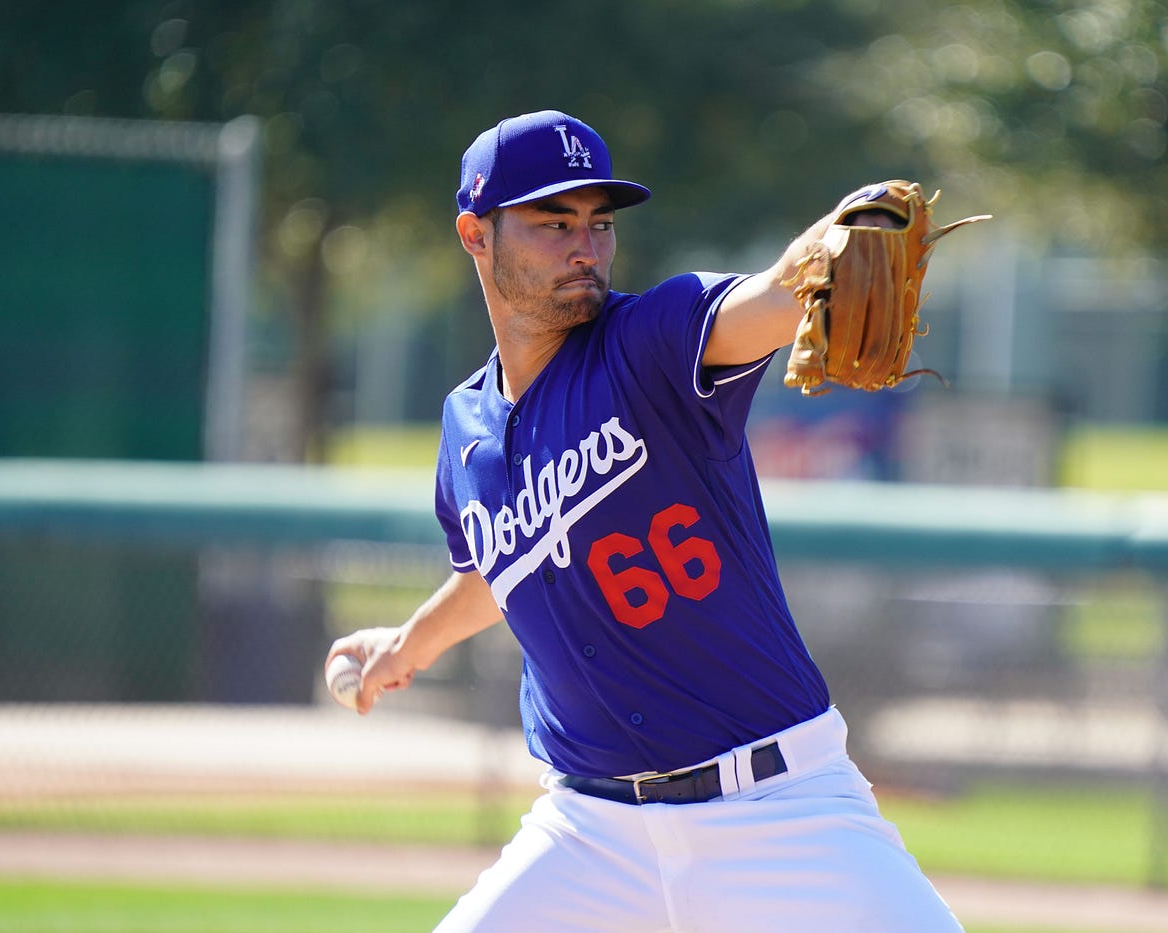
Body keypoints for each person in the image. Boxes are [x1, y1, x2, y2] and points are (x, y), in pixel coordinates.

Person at [326, 109, 963, 932]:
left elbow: (768, 296)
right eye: (552, 223)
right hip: (590, 833)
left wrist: (829, 248)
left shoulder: (653, 341)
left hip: (776, 808)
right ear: (475, 235)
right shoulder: (465, 428)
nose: (584, 245)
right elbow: (502, 571)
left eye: (598, 222)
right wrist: (404, 646)